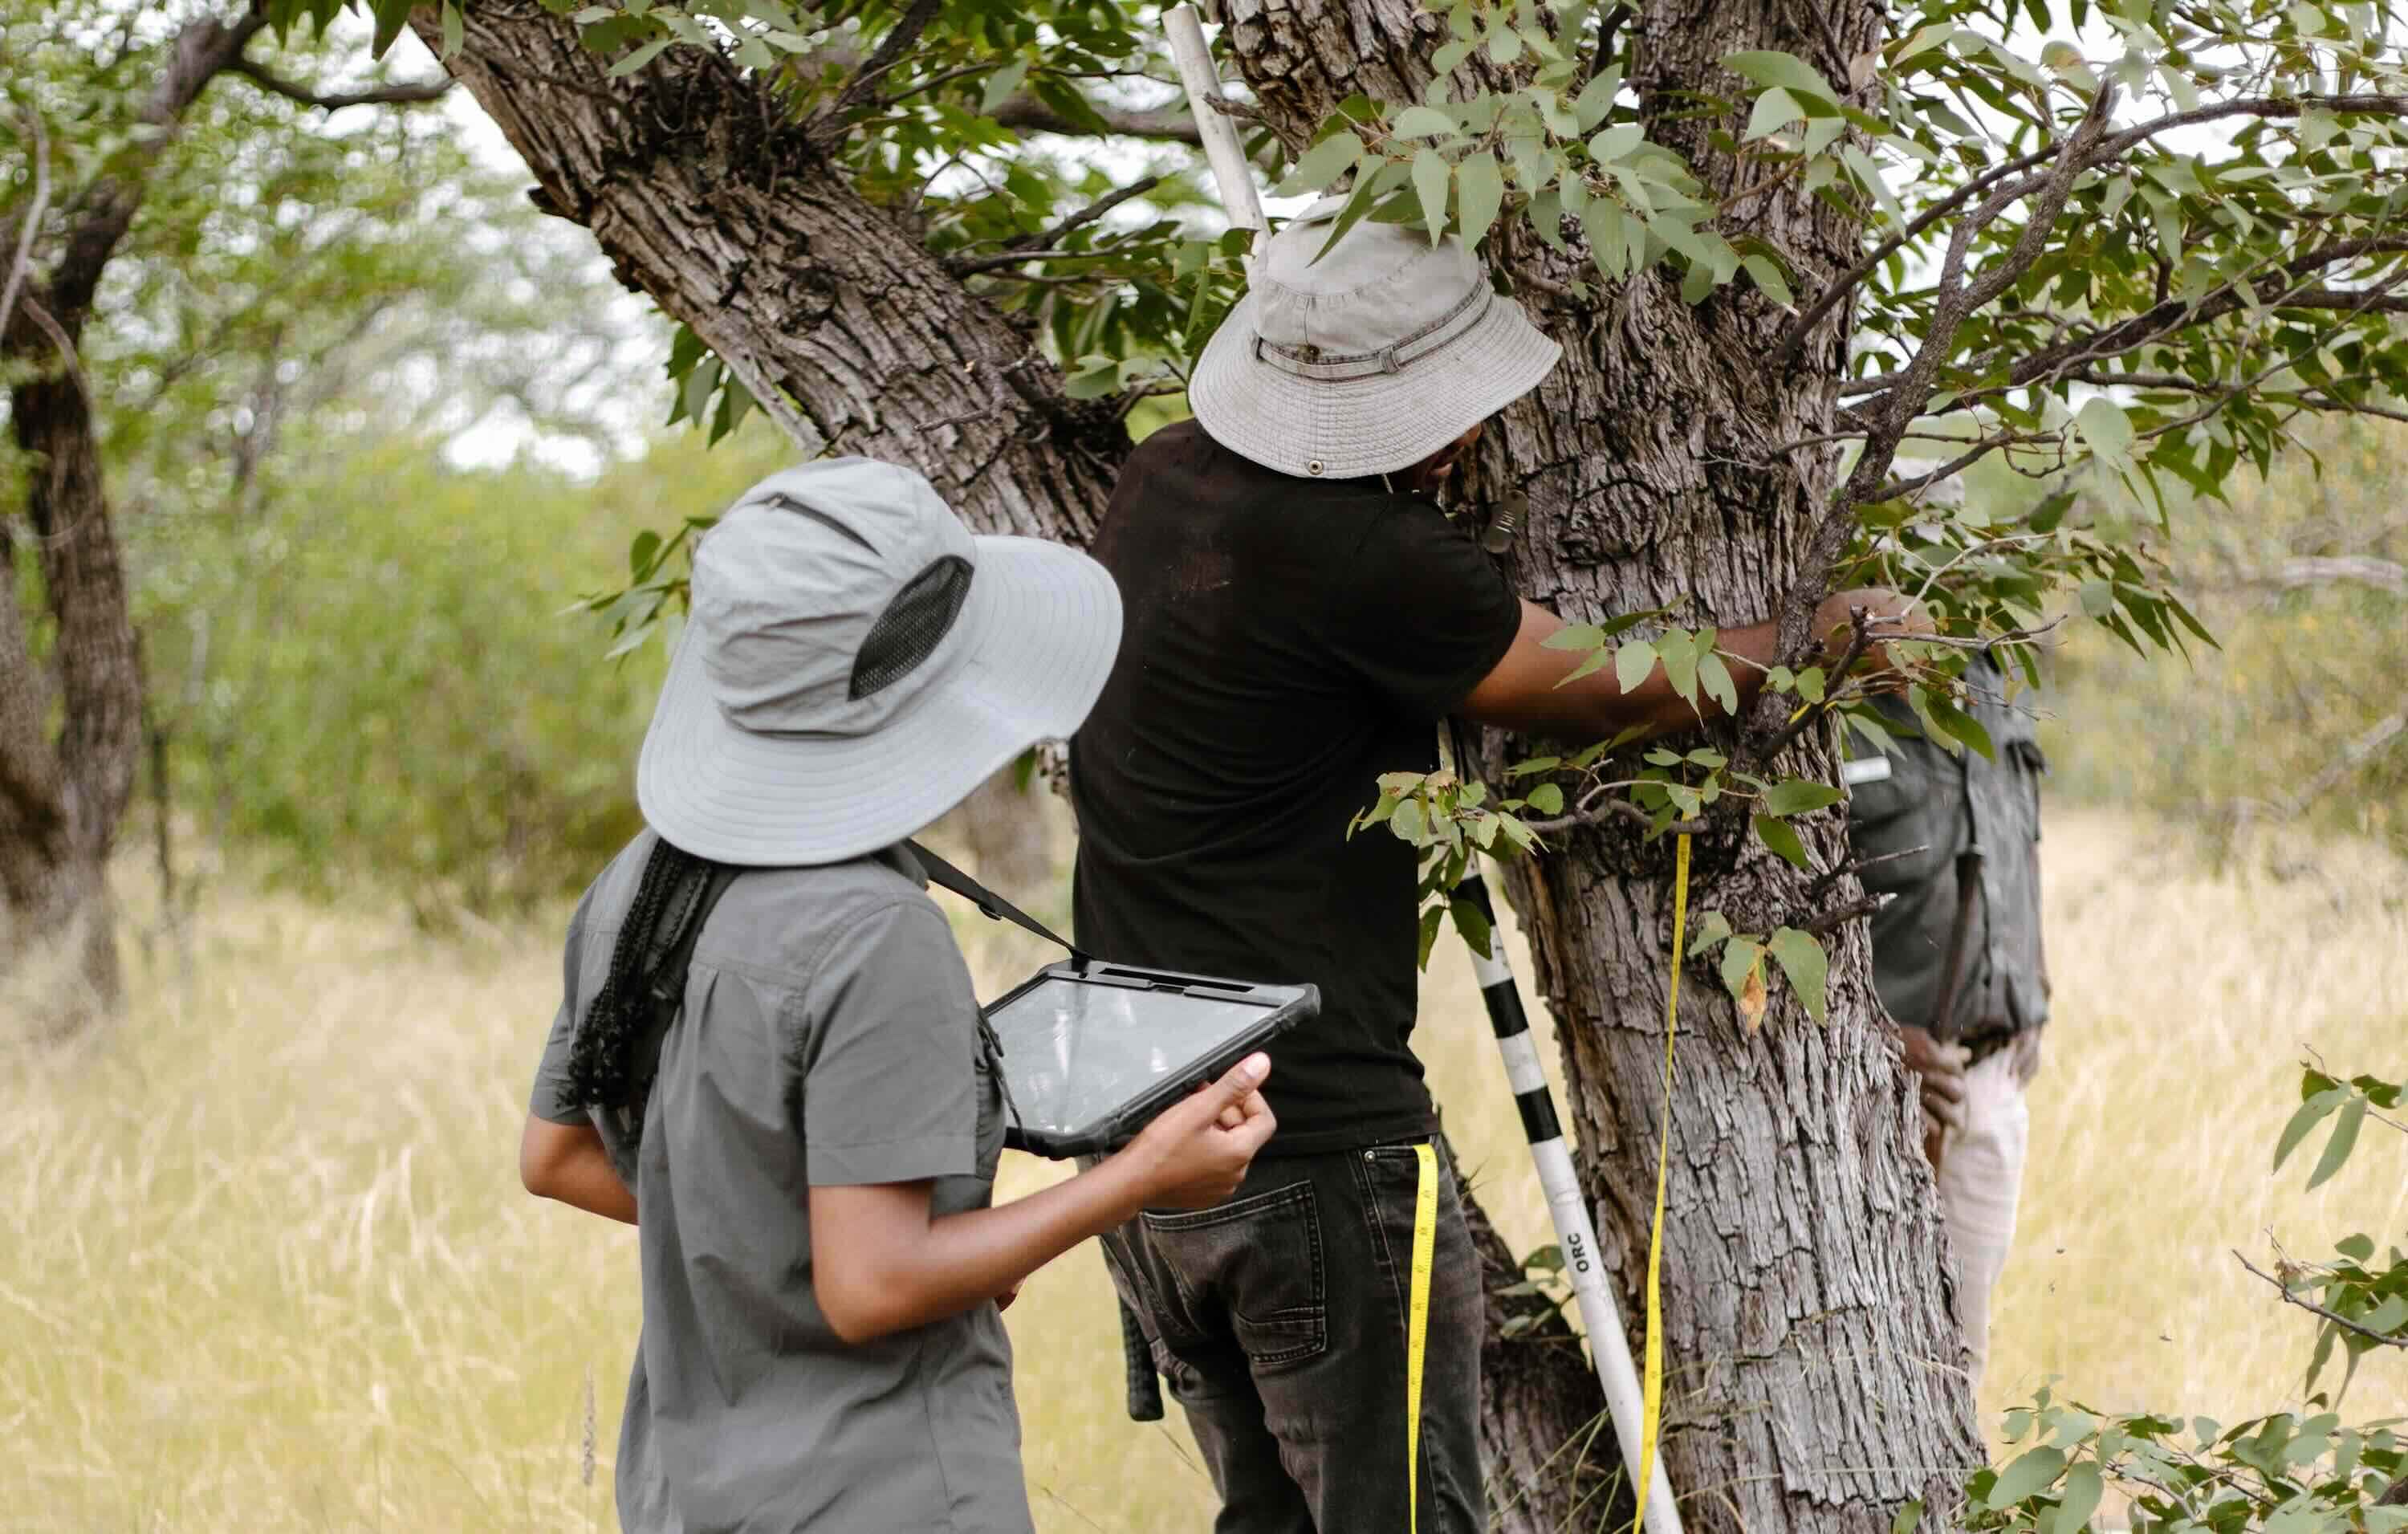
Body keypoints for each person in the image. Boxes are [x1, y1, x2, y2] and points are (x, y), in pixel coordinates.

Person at [1068, 197, 1926, 1532]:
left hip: (1137, 1120)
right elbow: (1605, 691)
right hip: (1305, 1131)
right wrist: (1817, 633)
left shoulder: (1165, 474)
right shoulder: (1372, 558)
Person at [515, 458, 1281, 1533]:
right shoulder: (878, 933)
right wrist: (1145, 1173)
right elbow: (871, 1285)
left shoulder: (637, 881)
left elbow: (556, 1156)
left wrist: (835, 1239)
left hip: (682, 1492)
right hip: (886, 1492)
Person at [1847, 649, 2050, 1387]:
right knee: (1872, 1359)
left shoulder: (1996, 670)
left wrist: (2032, 982)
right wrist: (1869, 1038)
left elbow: (2018, 839)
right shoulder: (1838, 678)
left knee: (1954, 1372)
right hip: (1873, 1091)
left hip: (1993, 1075)